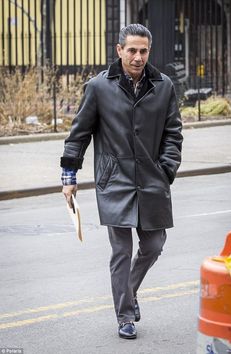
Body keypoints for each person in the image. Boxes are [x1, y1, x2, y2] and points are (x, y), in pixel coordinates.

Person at [60, 23, 183, 339]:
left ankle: (128, 292)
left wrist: (166, 169)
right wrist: (69, 176)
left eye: (143, 50)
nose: (138, 57)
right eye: (132, 50)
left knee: (155, 244)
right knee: (121, 250)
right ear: (119, 50)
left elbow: (173, 133)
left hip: (153, 179)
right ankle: (125, 316)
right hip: (114, 181)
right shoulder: (99, 87)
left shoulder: (164, 85)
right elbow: (79, 135)